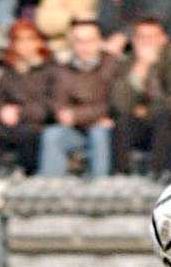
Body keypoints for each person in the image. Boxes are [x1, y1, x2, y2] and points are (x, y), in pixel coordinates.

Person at [111, 16, 171, 175]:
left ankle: (159, 174)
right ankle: (121, 175)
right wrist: (140, 69)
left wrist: (148, 110)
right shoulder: (129, 62)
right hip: (144, 123)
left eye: (152, 37)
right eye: (142, 37)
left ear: (163, 39)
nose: (147, 42)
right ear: (134, 40)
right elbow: (120, 105)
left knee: (164, 118)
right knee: (123, 123)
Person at [39, 19, 118, 178]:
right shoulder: (63, 70)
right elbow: (58, 103)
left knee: (99, 133)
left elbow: (112, 103)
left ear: (99, 41)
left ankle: (99, 188)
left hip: (107, 128)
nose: (84, 46)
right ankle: (50, 188)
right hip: (76, 129)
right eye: (79, 41)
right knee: (52, 135)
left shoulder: (114, 66)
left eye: (89, 40)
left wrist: (77, 115)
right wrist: (66, 114)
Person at [0, 18, 52, 171]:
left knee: (29, 135)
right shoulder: (8, 72)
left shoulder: (51, 71)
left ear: (39, 42)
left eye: (29, 40)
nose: (25, 45)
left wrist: (20, 112)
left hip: (38, 124)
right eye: (19, 41)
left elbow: (51, 104)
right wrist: (1, 110)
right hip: (10, 125)